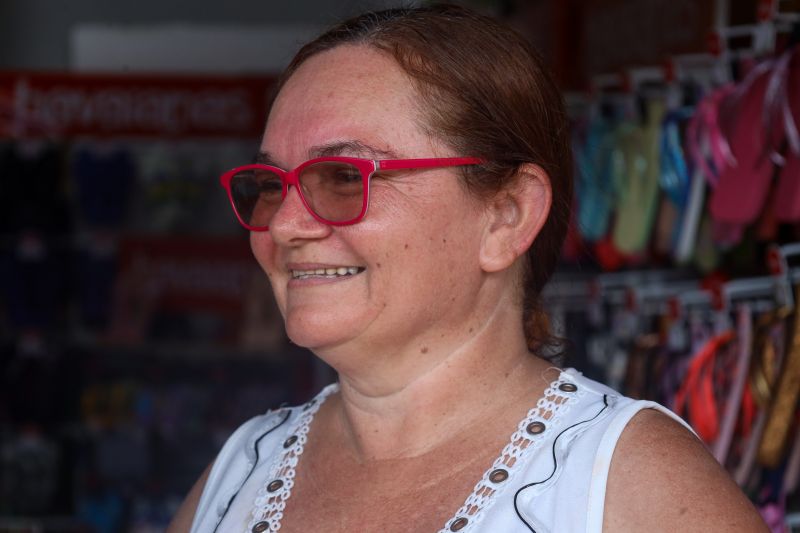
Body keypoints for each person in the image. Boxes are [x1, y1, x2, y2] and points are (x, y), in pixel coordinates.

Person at [169, 5, 768, 532]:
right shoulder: (243, 468)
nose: (284, 225)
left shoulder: (627, 485)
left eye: (345, 177)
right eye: (270, 185)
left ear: (507, 216)